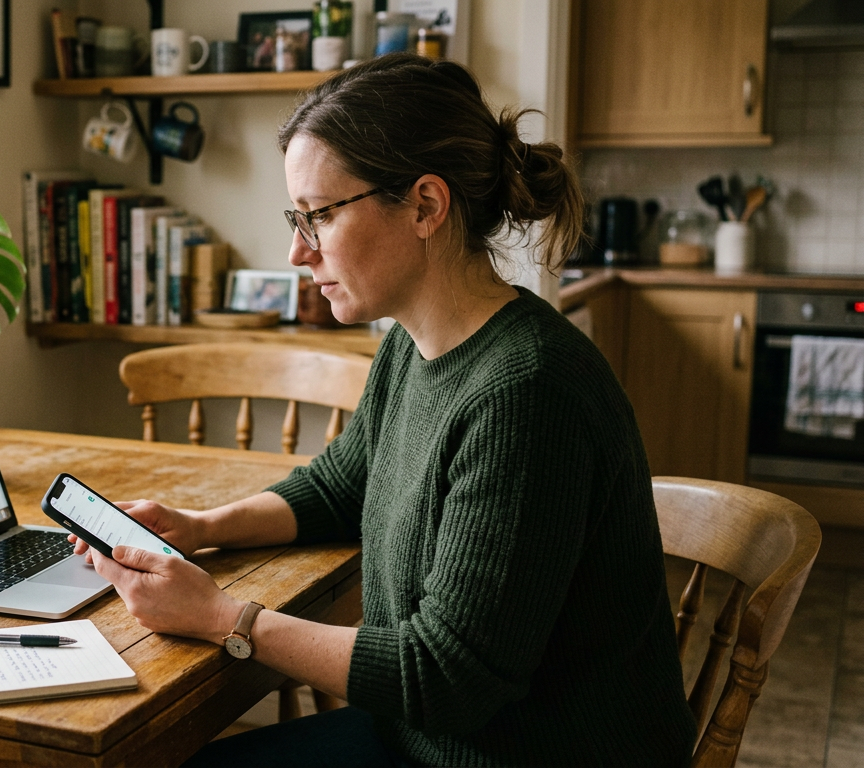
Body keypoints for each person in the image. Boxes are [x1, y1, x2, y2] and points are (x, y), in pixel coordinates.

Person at [71, 53, 697, 766]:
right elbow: (342, 484)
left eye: (319, 216)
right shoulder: (413, 343)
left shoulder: (528, 393)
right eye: (297, 217)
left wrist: (222, 617)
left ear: (426, 205)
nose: (297, 250)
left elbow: (447, 679)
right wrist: (201, 527)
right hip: (421, 739)